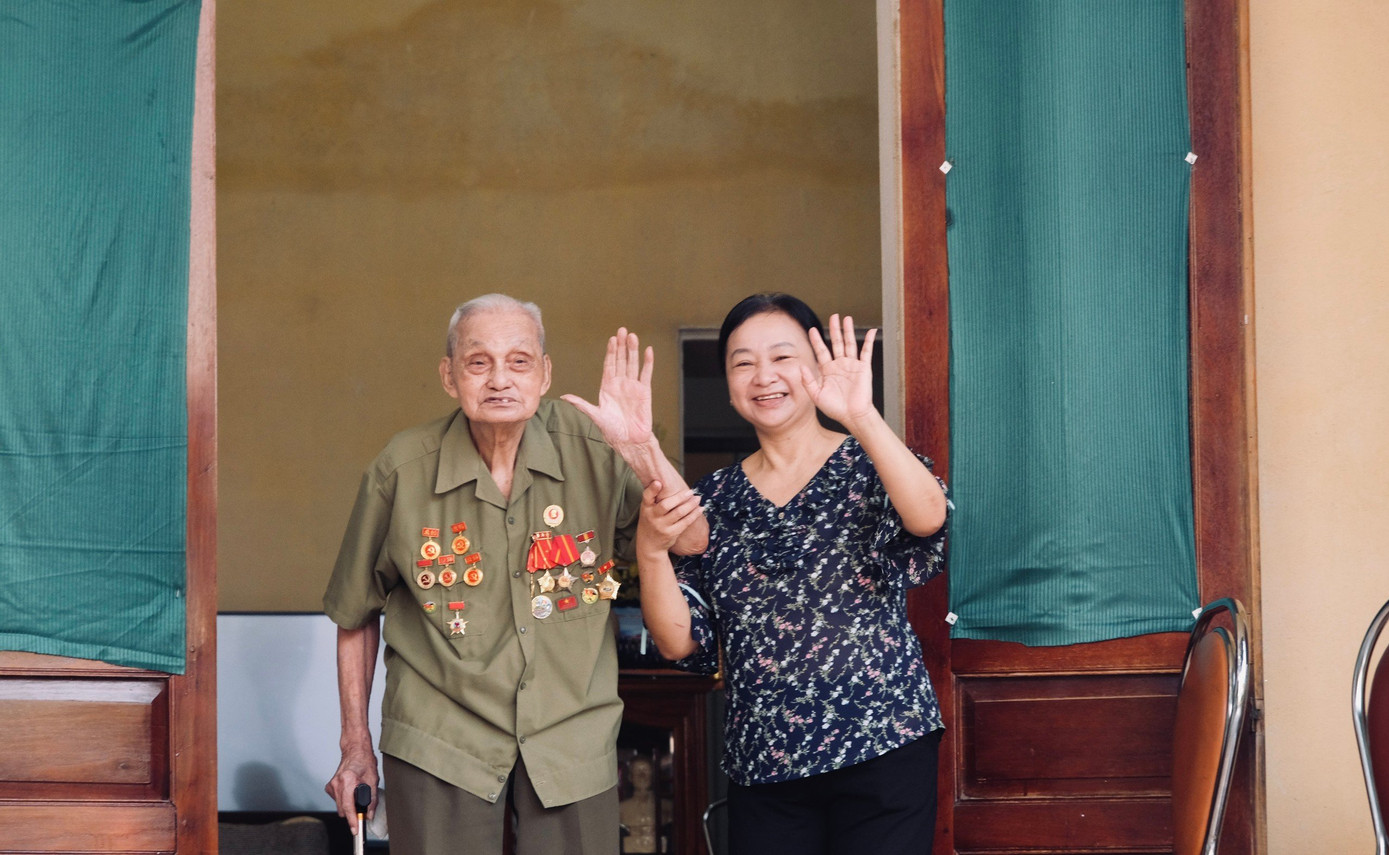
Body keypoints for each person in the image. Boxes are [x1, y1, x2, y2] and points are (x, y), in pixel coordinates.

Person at [322, 293, 706, 855]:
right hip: (441, 741)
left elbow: (691, 539)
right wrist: (355, 744)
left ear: (545, 374)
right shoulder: (401, 469)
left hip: (569, 738)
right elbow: (355, 613)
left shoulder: (595, 450)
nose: (500, 379)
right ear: (449, 376)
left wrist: (641, 448)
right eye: (479, 362)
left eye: (520, 361)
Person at [635, 293, 950, 855]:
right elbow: (678, 640)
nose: (764, 377)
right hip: (767, 763)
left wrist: (860, 414)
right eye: (742, 362)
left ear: (816, 364)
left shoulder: (866, 462)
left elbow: (927, 518)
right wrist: (651, 551)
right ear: (727, 383)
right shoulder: (711, 501)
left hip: (881, 743)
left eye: (782, 357)